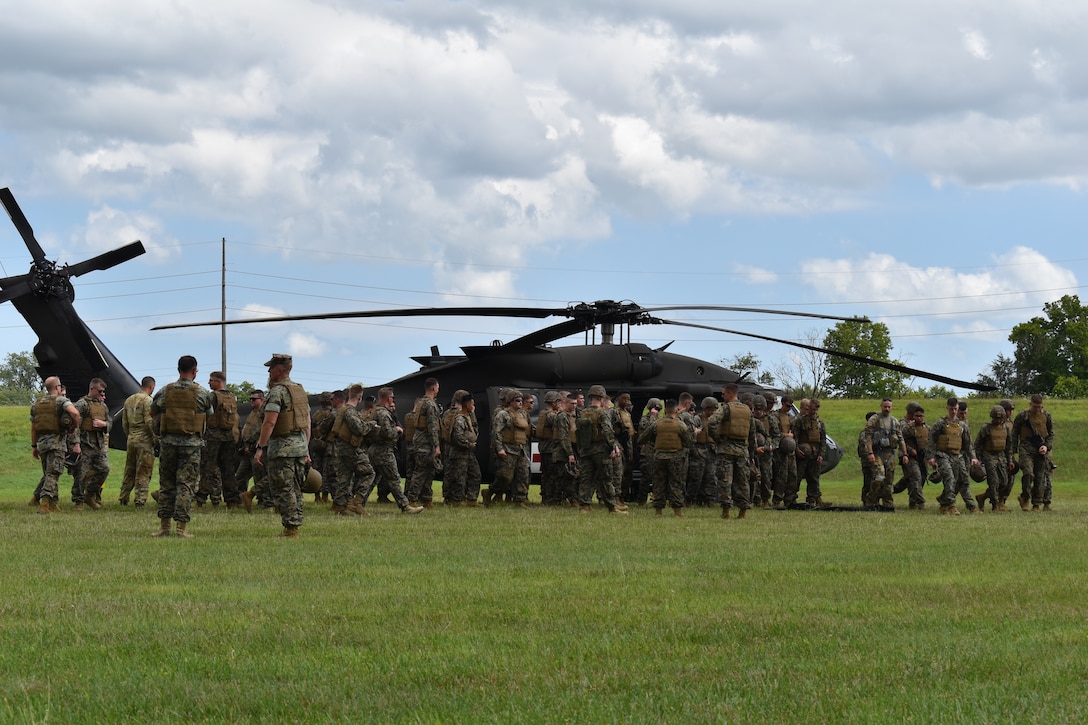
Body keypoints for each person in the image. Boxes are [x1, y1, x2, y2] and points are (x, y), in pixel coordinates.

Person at [151, 355, 215, 537]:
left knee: (166, 484)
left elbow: (152, 411)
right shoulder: (202, 392)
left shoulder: (166, 391)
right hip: (191, 445)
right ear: (195, 371)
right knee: (186, 485)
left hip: (168, 443)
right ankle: (181, 528)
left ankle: (164, 527)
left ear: (178, 369)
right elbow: (209, 414)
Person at [252, 354, 312, 537]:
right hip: (300, 448)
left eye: (271, 368)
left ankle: (291, 528)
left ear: (279, 370)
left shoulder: (277, 392)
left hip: (282, 450)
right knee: (295, 487)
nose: (268, 372)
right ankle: (294, 523)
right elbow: (307, 422)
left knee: (284, 488)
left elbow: (269, 422)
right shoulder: (299, 391)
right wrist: (305, 448)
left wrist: (260, 447)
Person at [363, 387, 423, 514]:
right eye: (392, 397)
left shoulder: (374, 411)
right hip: (384, 451)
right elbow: (387, 433)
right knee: (394, 479)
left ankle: (357, 503)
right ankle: (405, 506)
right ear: (389, 398)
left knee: (371, 479)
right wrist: (397, 430)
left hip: (373, 449)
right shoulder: (384, 413)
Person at [30, 376, 81, 514]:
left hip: (42, 444)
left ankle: (53, 504)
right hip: (57, 443)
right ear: (57, 387)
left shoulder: (37, 403)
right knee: (53, 473)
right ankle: (44, 502)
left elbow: (34, 427)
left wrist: (34, 446)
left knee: (48, 473)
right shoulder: (61, 401)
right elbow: (75, 413)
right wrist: (75, 427)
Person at [574, 385, 627, 515]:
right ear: (602, 398)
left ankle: (584, 506)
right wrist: (613, 446)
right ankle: (612, 507)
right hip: (600, 450)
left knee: (586, 478)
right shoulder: (602, 413)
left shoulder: (583, 412)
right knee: (606, 478)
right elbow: (608, 431)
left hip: (586, 450)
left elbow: (578, 433)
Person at [639, 398, 695, 516]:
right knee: (676, 483)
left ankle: (658, 511)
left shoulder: (656, 424)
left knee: (658, 483)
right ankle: (677, 511)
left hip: (659, 457)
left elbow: (642, 439)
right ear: (676, 411)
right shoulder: (680, 425)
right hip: (676, 458)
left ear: (665, 410)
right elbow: (690, 442)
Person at [708, 382, 755, 519]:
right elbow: (752, 433)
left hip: (726, 449)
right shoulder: (747, 410)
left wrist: (717, 439)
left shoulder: (726, 408)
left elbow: (712, 422)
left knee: (725, 481)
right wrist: (751, 452)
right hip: (742, 450)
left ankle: (726, 511)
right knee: (743, 481)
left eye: (723, 394)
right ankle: (742, 512)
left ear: (729, 393)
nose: (722, 396)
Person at [926, 397, 981, 515]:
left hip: (958, 456)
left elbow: (968, 443)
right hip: (942, 455)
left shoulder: (962, 425)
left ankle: (970, 506)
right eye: (951, 409)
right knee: (949, 478)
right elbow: (931, 440)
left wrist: (973, 457)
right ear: (947, 408)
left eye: (955, 409)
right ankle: (951, 505)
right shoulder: (940, 424)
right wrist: (931, 457)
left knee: (964, 480)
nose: (954, 411)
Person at [198, 371, 240, 508]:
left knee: (207, 468)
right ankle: (232, 500)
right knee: (228, 470)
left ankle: (200, 499)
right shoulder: (232, 397)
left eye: (211, 380)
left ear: (218, 381)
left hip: (212, 436)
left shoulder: (212, 396)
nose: (209, 383)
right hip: (228, 436)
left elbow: (205, 413)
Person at [861, 398, 909, 509]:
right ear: (881, 406)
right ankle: (871, 499)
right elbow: (868, 436)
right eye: (885, 406)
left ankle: (888, 503)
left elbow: (900, 438)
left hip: (890, 453)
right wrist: (870, 452)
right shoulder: (874, 419)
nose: (887, 409)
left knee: (889, 481)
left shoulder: (894, 421)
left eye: (889, 407)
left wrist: (905, 454)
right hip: (877, 452)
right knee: (879, 477)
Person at [1011, 394, 1055, 511]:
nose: (1037, 409)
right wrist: (1013, 452)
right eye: (1035, 406)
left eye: (1039, 407)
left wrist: (1046, 446)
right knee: (1028, 473)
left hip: (1040, 449)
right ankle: (1025, 497)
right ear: (1030, 404)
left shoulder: (1046, 416)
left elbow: (1051, 434)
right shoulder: (1022, 416)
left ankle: (1036, 503)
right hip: (1026, 447)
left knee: (1040, 477)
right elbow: (1014, 434)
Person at [74, 378, 111, 510]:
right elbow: (75, 425)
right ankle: (78, 500)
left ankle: (89, 494)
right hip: (85, 444)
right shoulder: (82, 404)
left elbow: (110, 422)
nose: (102, 394)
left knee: (104, 469)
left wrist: (104, 424)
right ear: (92, 389)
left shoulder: (103, 406)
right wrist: (76, 444)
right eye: (100, 391)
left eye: (103, 391)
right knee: (81, 474)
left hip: (99, 445)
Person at [490, 389, 532, 507]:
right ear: (510, 401)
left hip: (521, 450)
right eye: (517, 400)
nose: (520, 402)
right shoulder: (503, 415)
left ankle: (520, 500)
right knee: (505, 476)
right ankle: (490, 491)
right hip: (508, 449)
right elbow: (496, 432)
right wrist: (499, 449)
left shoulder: (522, 414)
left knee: (523, 475)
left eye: (521, 400)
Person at [119, 376, 156, 508]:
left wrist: (129, 435)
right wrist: (156, 438)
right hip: (144, 441)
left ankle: (123, 497)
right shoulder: (149, 401)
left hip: (131, 439)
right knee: (143, 471)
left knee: (129, 469)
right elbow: (149, 421)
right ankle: (140, 500)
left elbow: (124, 423)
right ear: (151, 386)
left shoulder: (129, 400)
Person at [406, 377, 441, 507]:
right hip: (425, 443)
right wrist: (437, 446)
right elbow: (433, 427)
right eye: (437, 387)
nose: (438, 390)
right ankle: (411, 500)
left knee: (429, 471)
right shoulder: (430, 405)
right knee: (420, 472)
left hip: (419, 440)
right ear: (433, 388)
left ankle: (427, 499)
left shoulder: (421, 402)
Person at [792, 398, 831, 508]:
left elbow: (823, 440)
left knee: (814, 477)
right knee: (797, 477)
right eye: (812, 409)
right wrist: (796, 450)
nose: (814, 412)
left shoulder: (820, 423)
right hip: (803, 453)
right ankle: (791, 499)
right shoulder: (800, 421)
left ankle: (813, 499)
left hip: (815, 453)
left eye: (816, 410)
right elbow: (795, 436)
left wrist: (821, 454)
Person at [974, 405, 1014, 512]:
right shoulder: (986, 428)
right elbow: (977, 445)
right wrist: (978, 459)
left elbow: (1009, 446)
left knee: (1004, 482)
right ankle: (995, 505)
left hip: (1001, 456)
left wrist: (1010, 460)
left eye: (1000, 418)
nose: (998, 420)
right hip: (989, 456)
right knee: (994, 481)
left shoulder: (1005, 428)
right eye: (996, 418)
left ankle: (982, 497)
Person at [447, 391, 482, 506]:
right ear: (467, 404)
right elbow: (459, 438)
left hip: (468, 453)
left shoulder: (469, 418)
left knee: (476, 474)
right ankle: (457, 500)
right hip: (459, 454)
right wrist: (471, 445)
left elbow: (475, 432)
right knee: (459, 478)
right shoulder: (460, 419)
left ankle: (471, 499)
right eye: (472, 403)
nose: (473, 405)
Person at [238, 390, 269, 511]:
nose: (251, 401)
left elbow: (263, 431)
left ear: (262, 400)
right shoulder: (252, 413)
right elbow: (247, 430)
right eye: (250, 399)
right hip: (248, 449)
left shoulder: (265, 413)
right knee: (241, 475)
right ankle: (243, 497)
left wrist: (259, 447)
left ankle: (265, 501)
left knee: (260, 476)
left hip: (259, 448)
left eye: (254, 399)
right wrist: (246, 445)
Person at [686, 397, 718, 506]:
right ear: (706, 409)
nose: (712, 412)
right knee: (696, 477)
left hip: (711, 450)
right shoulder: (697, 419)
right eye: (710, 409)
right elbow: (690, 435)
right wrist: (693, 450)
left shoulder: (715, 420)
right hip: (698, 449)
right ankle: (690, 499)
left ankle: (709, 500)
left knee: (711, 476)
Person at [899, 404, 929, 510]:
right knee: (916, 477)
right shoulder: (907, 427)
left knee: (920, 479)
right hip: (909, 456)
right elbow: (900, 440)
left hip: (922, 457)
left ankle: (913, 501)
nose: (919, 418)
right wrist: (910, 450)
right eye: (917, 416)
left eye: (921, 416)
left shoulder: (926, 427)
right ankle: (920, 502)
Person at [772, 395, 797, 509]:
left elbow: (794, 432)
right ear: (782, 404)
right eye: (787, 406)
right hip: (779, 450)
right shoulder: (775, 416)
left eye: (790, 406)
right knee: (781, 475)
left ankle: (789, 499)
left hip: (790, 450)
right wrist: (785, 435)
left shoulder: (790, 418)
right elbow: (774, 433)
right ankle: (777, 499)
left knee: (792, 475)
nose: (788, 408)